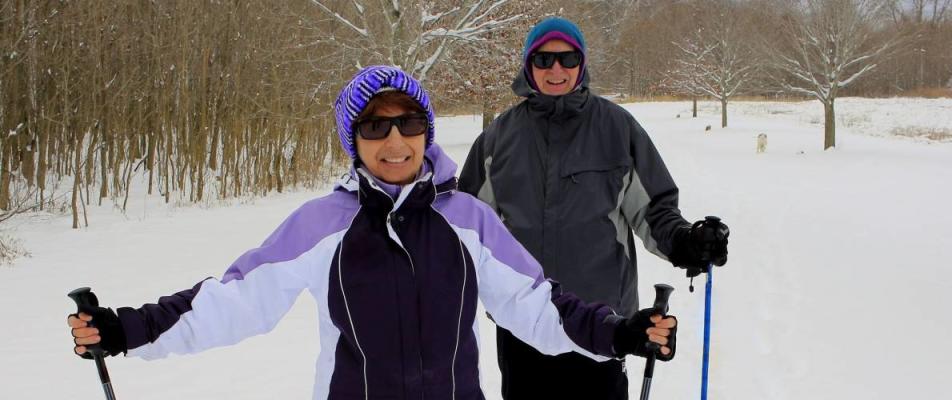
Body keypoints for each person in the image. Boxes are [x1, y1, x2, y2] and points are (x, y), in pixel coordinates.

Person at [67, 65, 679, 400]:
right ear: (352, 140)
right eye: (374, 126)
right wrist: (129, 329)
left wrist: (619, 332)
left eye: (410, 123)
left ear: (427, 132)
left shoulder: (466, 219)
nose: (394, 141)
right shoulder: (322, 225)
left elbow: (537, 305)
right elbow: (234, 301)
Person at [458, 17, 730, 400]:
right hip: (523, 322)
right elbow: (466, 224)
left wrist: (686, 242)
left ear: (582, 64)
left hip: (604, 322)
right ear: (528, 65)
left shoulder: (617, 128)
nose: (557, 69)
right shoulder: (498, 138)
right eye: (544, 60)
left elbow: (654, 211)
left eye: (568, 59)